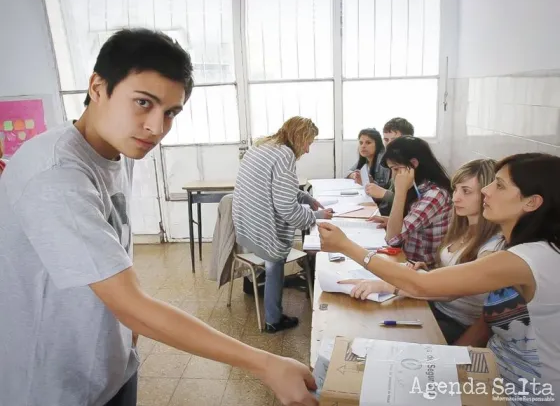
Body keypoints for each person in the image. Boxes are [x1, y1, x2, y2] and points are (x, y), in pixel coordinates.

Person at [0, 29, 319, 406]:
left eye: (170, 112)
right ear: (97, 87)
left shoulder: (116, 150)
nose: (157, 127)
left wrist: (127, 336)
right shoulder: (55, 174)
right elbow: (131, 303)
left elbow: (113, 264)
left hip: (111, 364)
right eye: (142, 103)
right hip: (56, 384)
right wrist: (265, 363)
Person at [319, 153, 560, 400]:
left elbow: (421, 285)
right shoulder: (519, 248)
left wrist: (347, 246)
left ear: (532, 203)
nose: (486, 191)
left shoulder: (525, 257)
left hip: (525, 392)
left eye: (499, 185)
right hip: (494, 369)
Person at [341, 159, 503, 344]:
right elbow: (449, 272)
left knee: (385, 336)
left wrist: (388, 286)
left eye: (466, 191)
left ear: (486, 195)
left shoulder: (492, 247)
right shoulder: (462, 226)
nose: (455, 197)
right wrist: (428, 271)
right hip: (434, 305)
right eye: (456, 189)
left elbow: (451, 291)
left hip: (456, 322)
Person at [233, 116, 333, 333]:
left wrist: (305, 198)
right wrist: (317, 215)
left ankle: (253, 285)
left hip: (245, 226)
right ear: (299, 137)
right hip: (261, 228)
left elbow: (276, 186)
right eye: (308, 142)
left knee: (271, 259)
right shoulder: (285, 154)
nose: (307, 150)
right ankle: (273, 321)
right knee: (275, 262)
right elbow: (287, 210)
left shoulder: (263, 146)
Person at [370, 136, 452, 266]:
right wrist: (391, 220)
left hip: (425, 269)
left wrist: (400, 193)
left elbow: (392, 239)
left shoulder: (435, 195)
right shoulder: (419, 186)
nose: (393, 176)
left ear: (413, 164)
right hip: (408, 261)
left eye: (396, 169)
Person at [365, 117, 415, 214]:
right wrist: (375, 185)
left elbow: (411, 203)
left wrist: (384, 194)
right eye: (386, 140)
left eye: (394, 139)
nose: (389, 144)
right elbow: (390, 188)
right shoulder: (392, 160)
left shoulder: (412, 163)